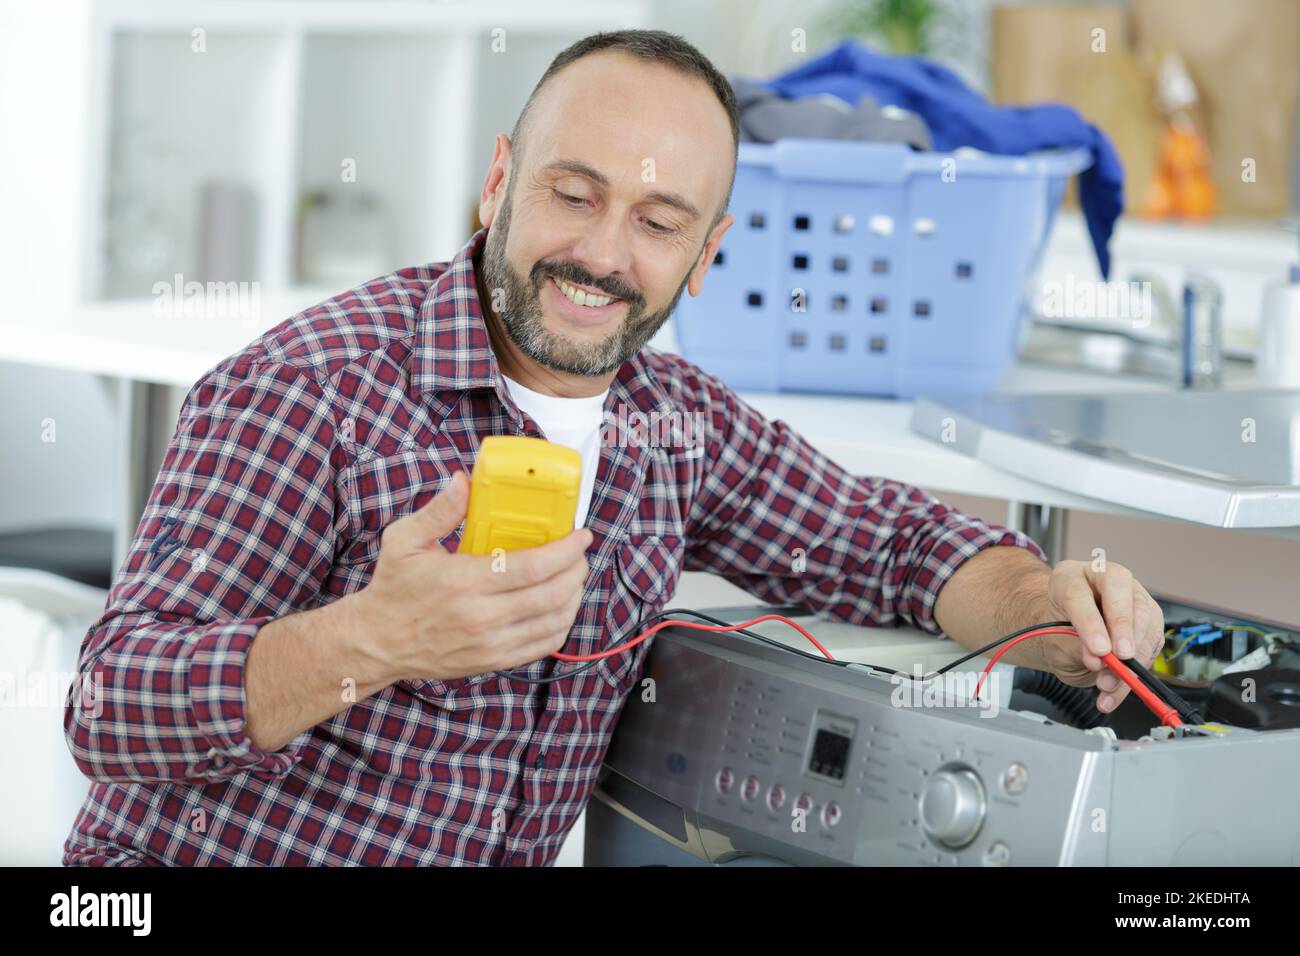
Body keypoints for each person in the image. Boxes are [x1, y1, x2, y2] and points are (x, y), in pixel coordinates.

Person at [64, 29, 1162, 866]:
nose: (599, 253)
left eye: (656, 219)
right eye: (571, 193)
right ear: (499, 180)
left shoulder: (674, 424)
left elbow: (894, 543)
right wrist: (372, 638)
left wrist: (1056, 615)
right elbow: (109, 707)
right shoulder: (315, 387)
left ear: (706, 251)